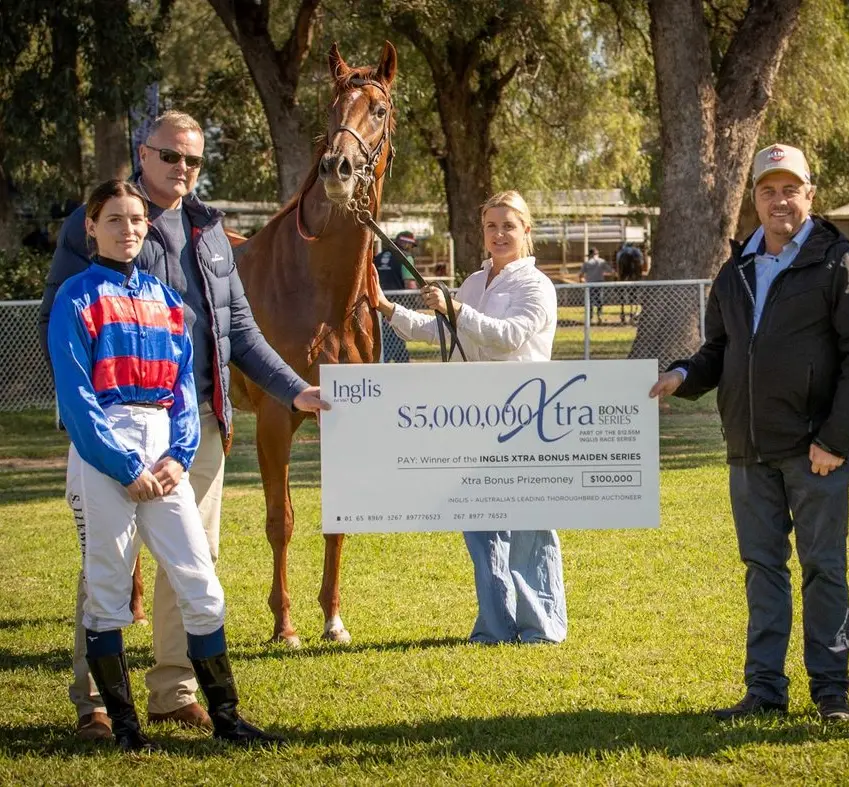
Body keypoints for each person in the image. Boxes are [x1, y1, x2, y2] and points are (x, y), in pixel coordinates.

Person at [38, 111, 328, 741]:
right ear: (143, 155)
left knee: (194, 562)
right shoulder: (106, 219)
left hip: (196, 422)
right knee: (107, 564)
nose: (182, 170)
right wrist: (89, 427)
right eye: (169, 157)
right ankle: (96, 705)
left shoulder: (211, 230)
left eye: (193, 160)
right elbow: (57, 319)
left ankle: (175, 691)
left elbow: (241, 331)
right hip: (111, 429)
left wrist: (294, 388)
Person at [650, 144, 849, 721]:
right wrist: (683, 374)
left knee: (824, 569)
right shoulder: (737, 269)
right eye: (767, 190)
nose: (780, 200)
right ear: (754, 198)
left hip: (813, 453)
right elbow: (720, 350)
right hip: (748, 450)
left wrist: (832, 439)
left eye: (790, 189)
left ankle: (831, 692)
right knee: (762, 571)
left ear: (810, 194)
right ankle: (765, 693)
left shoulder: (839, 263)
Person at [373, 191, 567, 644]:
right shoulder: (477, 281)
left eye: (508, 226)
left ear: (526, 232)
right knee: (480, 526)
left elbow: (508, 337)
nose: (499, 234)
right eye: (491, 226)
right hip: (474, 418)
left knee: (529, 527)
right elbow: (444, 330)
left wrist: (454, 308)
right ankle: (495, 626)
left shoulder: (535, 286)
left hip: (523, 420)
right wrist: (388, 308)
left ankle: (541, 625)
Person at [373, 241, 410, 363]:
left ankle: (389, 360)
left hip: (378, 304)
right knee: (397, 335)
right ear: (406, 244)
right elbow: (410, 283)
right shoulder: (405, 257)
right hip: (397, 304)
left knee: (384, 335)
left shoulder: (377, 257)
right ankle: (393, 363)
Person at [580, 247, 612, 324]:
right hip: (599, 283)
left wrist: (582, 280)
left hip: (590, 284)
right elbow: (610, 270)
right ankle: (599, 316)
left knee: (590, 300)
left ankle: (590, 317)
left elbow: (581, 274)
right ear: (597, 254)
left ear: (590, 255)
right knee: (599, 300)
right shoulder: (602, 262)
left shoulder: (587, 263)